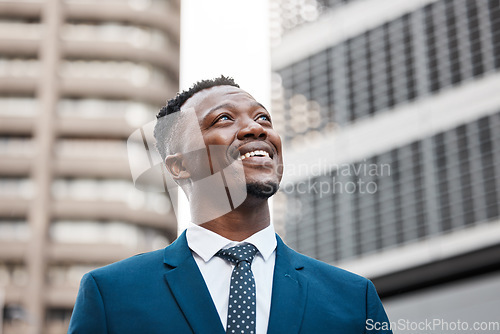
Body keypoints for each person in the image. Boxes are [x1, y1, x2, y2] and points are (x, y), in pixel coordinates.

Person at [68, 76, 392, 334]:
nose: (256, 128)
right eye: (223, 119)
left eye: (263, 117)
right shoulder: (111, 295)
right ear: (179, 166)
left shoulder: (353, 300)